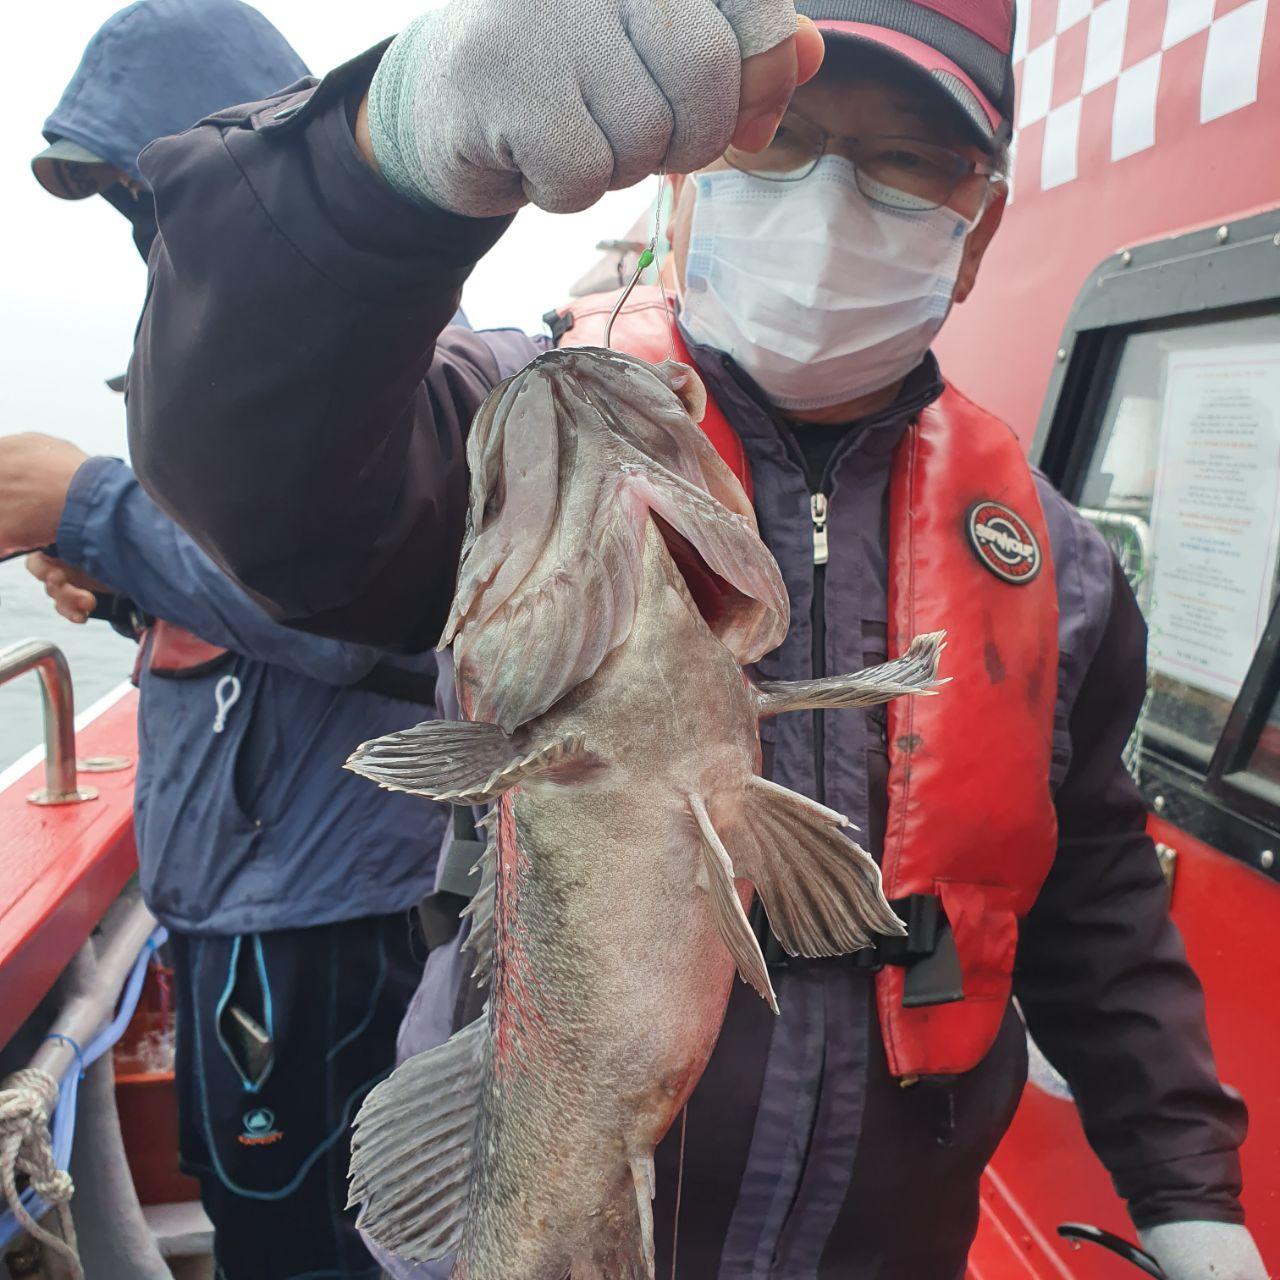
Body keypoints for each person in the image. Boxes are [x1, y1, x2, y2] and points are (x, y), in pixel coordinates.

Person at [113, 0, 1268, 1276]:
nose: (833, 196)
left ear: (978, 226)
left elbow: (1090, 890)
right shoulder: (531, 433)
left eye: (906, 161)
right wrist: (376, 165)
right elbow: (258, 480)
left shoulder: (1061, 562)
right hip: (537, 1166)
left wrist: (1185, 1190)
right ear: (683, 192)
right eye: (779, 137)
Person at [6, 4, 450, 1277]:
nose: (150, 231)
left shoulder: (352, 359)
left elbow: (358, 611)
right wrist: (137, 590)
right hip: (242, 902)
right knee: (262, 1213)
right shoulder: (239, 367)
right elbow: (255, 595)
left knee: (308, 1239)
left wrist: (89, 503)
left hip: (306, 915)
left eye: (149, 193)